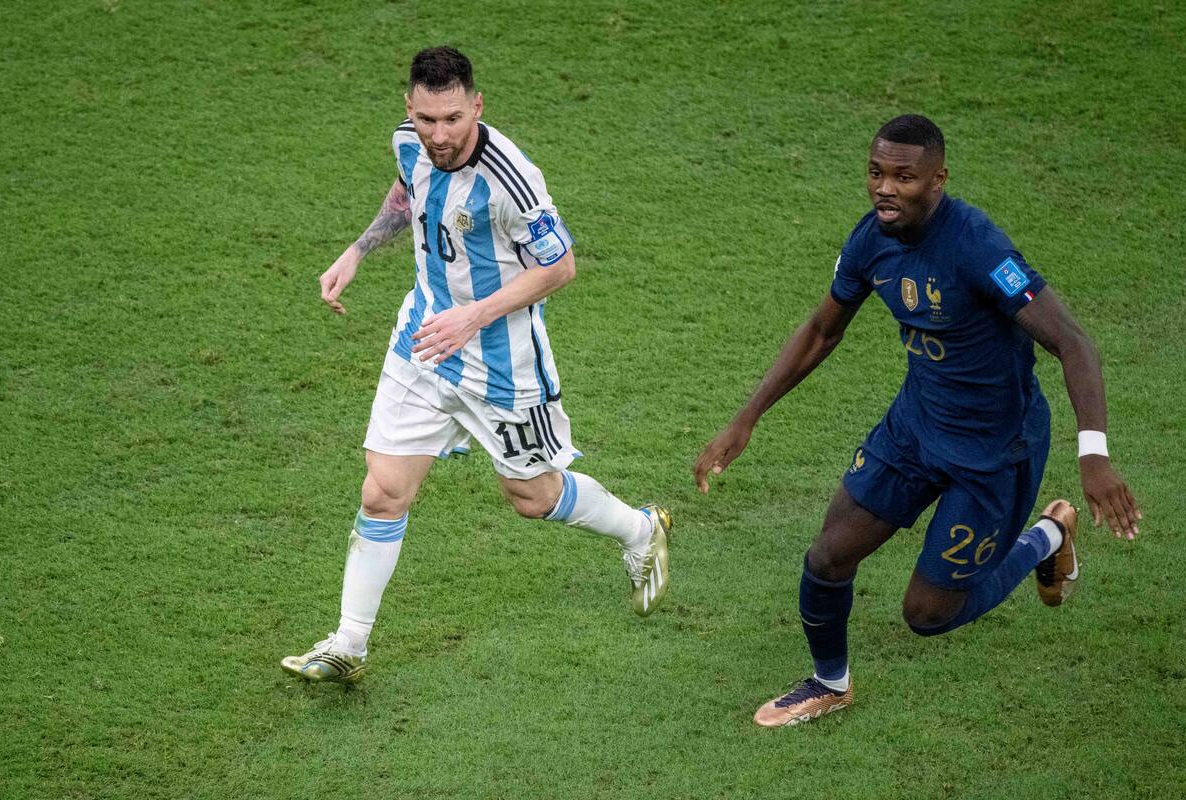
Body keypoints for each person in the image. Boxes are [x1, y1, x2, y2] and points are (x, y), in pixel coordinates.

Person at [694, 114, 1141, 727]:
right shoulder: (870, 241)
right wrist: (746, 417)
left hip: (992, 453)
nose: (886, 188)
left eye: (904, 176)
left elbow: (1073, 344)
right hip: (913, 431)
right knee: (826, 557)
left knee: (928, 614)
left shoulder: (980, 249)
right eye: (877, 173)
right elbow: (823, 330)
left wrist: (1094, 456)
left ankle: (1048, 536)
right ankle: (830, 683)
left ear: (937, 180)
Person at [282, 46, 671, 685]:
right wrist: (357, 250)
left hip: (501, 364)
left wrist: (474, 316)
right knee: (382, 491)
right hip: (426, 340)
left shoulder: (512, 181)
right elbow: (408, 195)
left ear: (477, 106)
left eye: (454, 119)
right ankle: (349, 643)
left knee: (533, 496)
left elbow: (561, 266)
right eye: (428, 119)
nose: (440, 135)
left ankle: (639, 527)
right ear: (410, 108)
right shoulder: (409, 142)